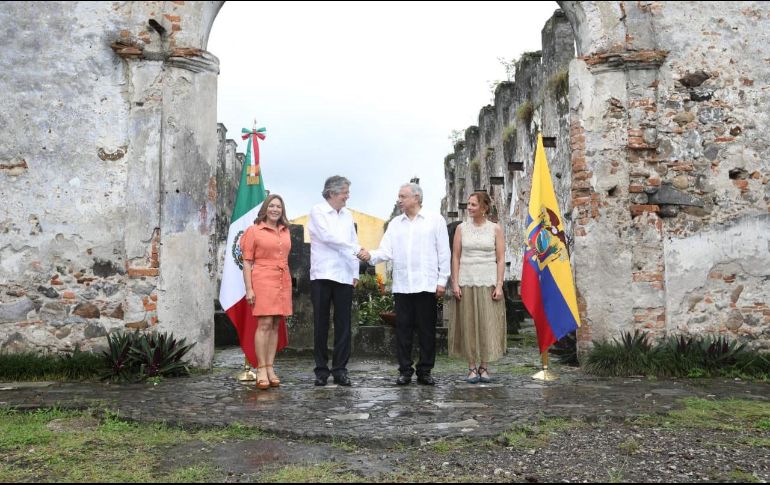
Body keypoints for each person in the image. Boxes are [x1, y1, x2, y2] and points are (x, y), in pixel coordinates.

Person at [359, 183, 450, 386]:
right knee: (403, 330)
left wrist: (442, 281)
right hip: (403, 286)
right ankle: (405, 370)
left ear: (416, 198)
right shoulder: (395, 224)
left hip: (426, 285)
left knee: (427, 331)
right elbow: (386, 251)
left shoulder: (435, 220)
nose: (399, 200)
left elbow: (444, 253)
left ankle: (425, 370)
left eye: (403, 196)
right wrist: (370, 255)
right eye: (398, 196)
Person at [308, 176, 361, 387]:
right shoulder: (318, 211)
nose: (347, 196)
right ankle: (321, 370)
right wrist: (355, 249)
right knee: (321, 323)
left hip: (344, 275)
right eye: (344, 192)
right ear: (331, 193)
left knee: (344, 324)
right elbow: (327, 237)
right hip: (322, 274)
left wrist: (355, 272)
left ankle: (340, 369)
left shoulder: (347, 215)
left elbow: (353, 241)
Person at [449, 191, 507, 384]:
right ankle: (471, 367)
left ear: (484, 208)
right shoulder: (461, 229)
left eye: (473, 204)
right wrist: (455, 282)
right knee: (469, 324)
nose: (469, 208)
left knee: (486, 324)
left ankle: (484, 367)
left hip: (488, 281)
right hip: (466, 281)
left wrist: (499, 285)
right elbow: (456, 257)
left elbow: (500, 259)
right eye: (468, 204)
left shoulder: (495, 229)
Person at [240, 194, 292, 390]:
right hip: (262, 278)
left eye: (279, 206)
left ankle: (270, 367)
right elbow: (247, 262)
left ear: (282, 210)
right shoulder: (254, 230)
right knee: (264, 323)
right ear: (265, 209)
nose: (275, 209)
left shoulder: (285, 231)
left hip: (282, 279)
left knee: (276, 323)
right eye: (272, 206)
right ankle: (261, 368)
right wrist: (249, 289)